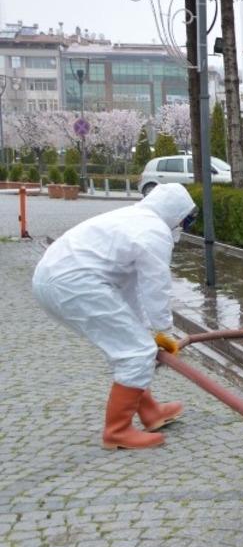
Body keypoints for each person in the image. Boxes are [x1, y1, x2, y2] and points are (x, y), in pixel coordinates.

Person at [31, 183, 197, 450]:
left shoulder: (133, 218)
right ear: (176, 215)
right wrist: (163, 330)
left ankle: (150, 412)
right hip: (74, 284)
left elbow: (130, 289)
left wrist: (147, 330)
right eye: (185, 220)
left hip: (53, 279)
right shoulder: (154, 231)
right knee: (134, 352)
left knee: (130, 344)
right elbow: (156, 286)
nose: (183, 226)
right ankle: (117, 431)